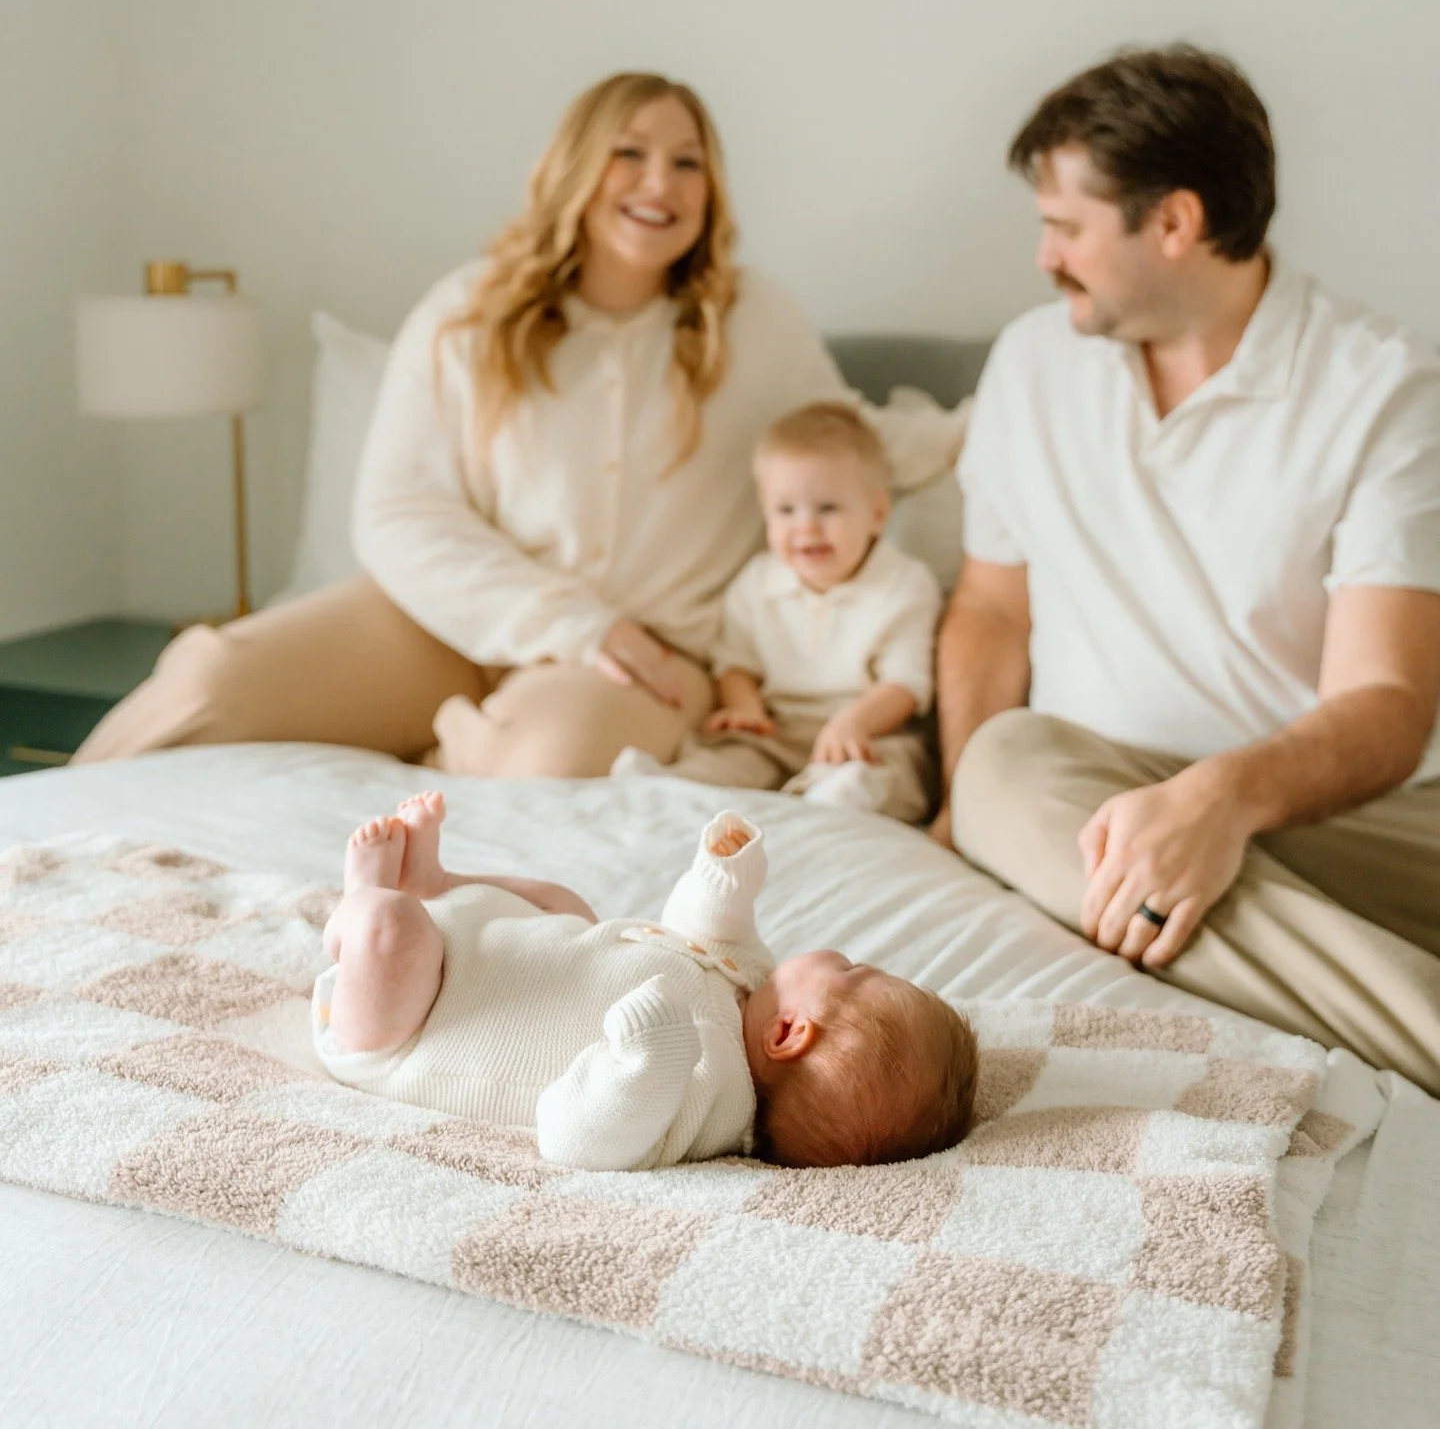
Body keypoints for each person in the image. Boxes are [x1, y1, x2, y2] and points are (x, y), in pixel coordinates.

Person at [75, 72, 959, 777]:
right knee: (210, 679)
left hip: (648, 660)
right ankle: (42, 835)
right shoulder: (467, 313)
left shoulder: (753, 320)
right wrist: (571, 620)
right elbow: (398, 514)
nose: (662, 183)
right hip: (445, 632)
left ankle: (431, 756)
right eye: (632, 153)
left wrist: (998, 418)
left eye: (689, 163)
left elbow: (857, 440)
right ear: (577, 166)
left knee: (551, 761)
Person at [933, 43, 1440, 1093]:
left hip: (1350, 818)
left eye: (1066, 227)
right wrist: (956, 805)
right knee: (1002, 767)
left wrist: (1223, 803)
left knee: (1085, 846)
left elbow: (1389, 701)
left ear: (1175, 223)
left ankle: (1181, 886)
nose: (1044, 256)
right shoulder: (1032, 364)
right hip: (1097, 793)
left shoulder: (1384, 387)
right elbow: (989, 610)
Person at [313, 791, 978, 1169]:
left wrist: (643, 1062)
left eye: (852, 970)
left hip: (408, 1022)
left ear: (790, 1032)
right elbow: (710, 933)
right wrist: (724, 880)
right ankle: (436, 884)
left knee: (390, 928)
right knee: (566, 901)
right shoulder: (747, 987)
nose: (841, 953)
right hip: (492, 946)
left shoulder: (710, 1101)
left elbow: (577, 1140)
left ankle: (361, 895)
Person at [616, 403, 941, 822]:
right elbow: (735, 665)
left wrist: (851, 723)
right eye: (786, 511)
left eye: (828, 509)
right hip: (780, 727)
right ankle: (676, 785)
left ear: (877, 513)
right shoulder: (757, 583)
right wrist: (747, 708)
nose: (805, 527)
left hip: (868, 730)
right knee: (736, 757)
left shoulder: (904, 584)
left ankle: (834, 800)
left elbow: (906, 684)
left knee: (891, 771)